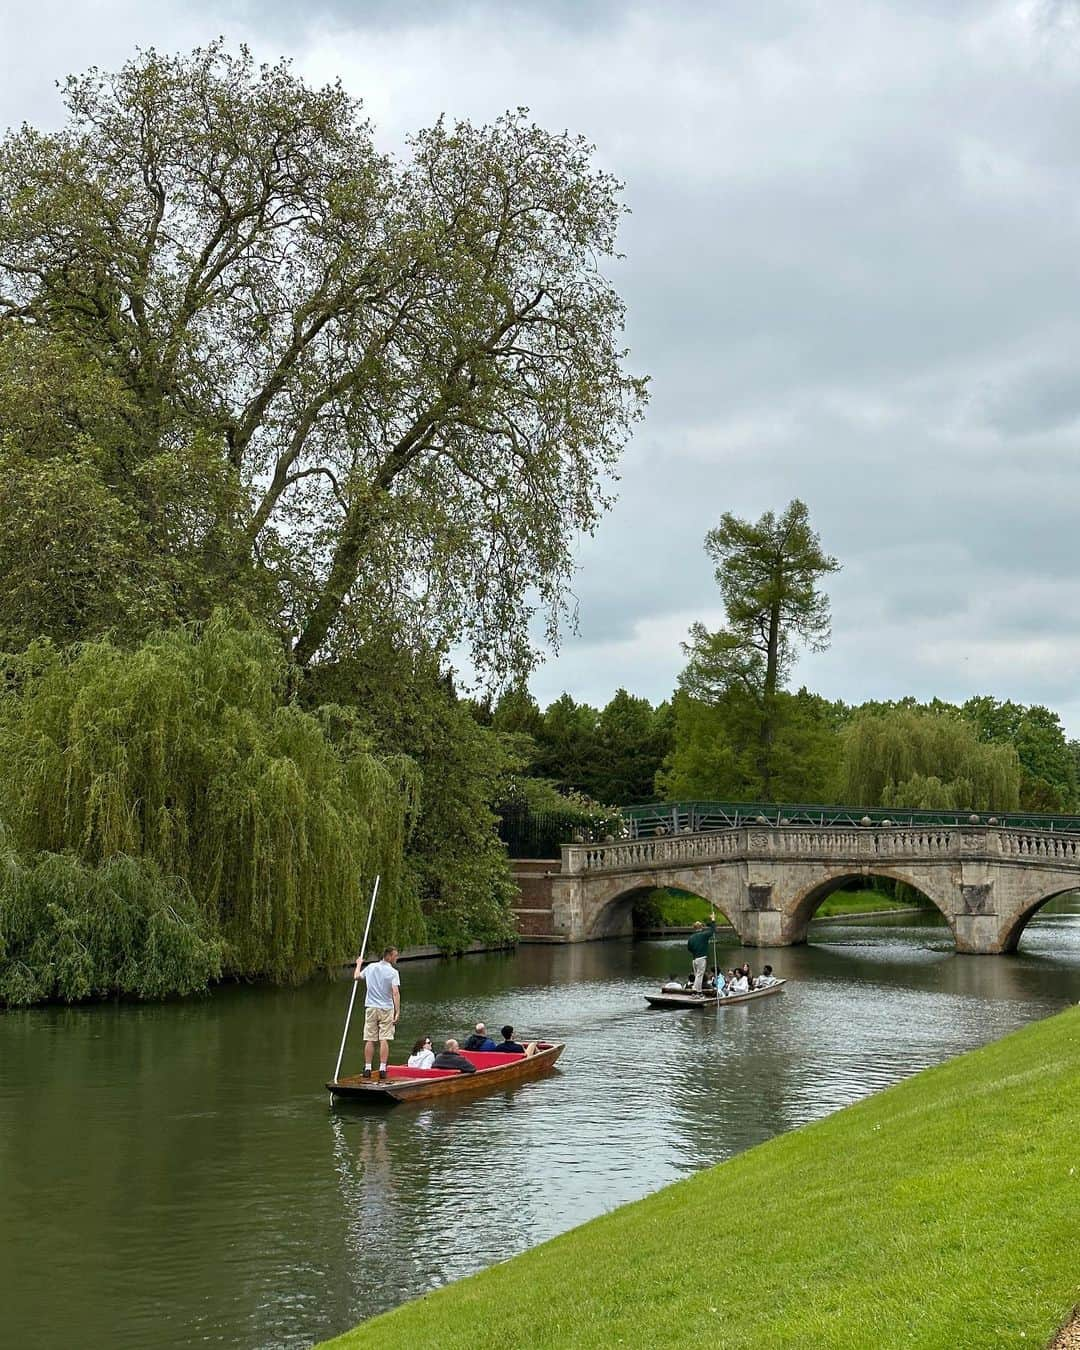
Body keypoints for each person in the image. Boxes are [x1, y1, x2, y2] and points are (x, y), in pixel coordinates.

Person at [354, 944, 400, 1081]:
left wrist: (358, 964)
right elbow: (395, 992)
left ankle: (368, 1067)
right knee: (384, 1038)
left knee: (370, 1038)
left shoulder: (371, 967)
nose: (397, 958)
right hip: (386, 1008)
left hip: (371, 1007)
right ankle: (382, 1068)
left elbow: (357, 977)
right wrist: (397, 1012)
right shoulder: (393, 973)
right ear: (389, 956)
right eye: (395, 955)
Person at [687, 912, 717, 991]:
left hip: (694, 959)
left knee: (697, 975)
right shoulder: (703, 935)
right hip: (701, 958)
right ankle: (696, 992)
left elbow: (689, 948)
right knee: (699, 976)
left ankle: (697, 991)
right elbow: (712, 930)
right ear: (701, 927)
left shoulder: (691, 937)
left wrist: (695, 952)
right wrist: (713, 919)